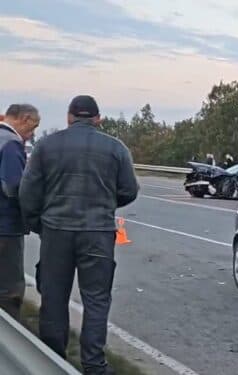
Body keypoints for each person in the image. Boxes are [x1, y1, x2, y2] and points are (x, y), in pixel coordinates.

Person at [19, 95, 139, 375]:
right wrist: (104, 203)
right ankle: (94, 365)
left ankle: (52, 359)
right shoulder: (116, 148)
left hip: (57, 231)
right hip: (97, 233)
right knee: (96, 299)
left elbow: (28, 193)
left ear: (69, 117)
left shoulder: (46, 146)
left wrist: (39, 223)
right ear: (98, 119)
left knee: (53, 296)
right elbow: (129, 190)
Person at [0, 104, 39, 320]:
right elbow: (13, 186)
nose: (32, 134)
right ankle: (9, 330)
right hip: (6, 225)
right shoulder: (11, 143)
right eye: (33, 127)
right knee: (9, 287)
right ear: (24, 118)